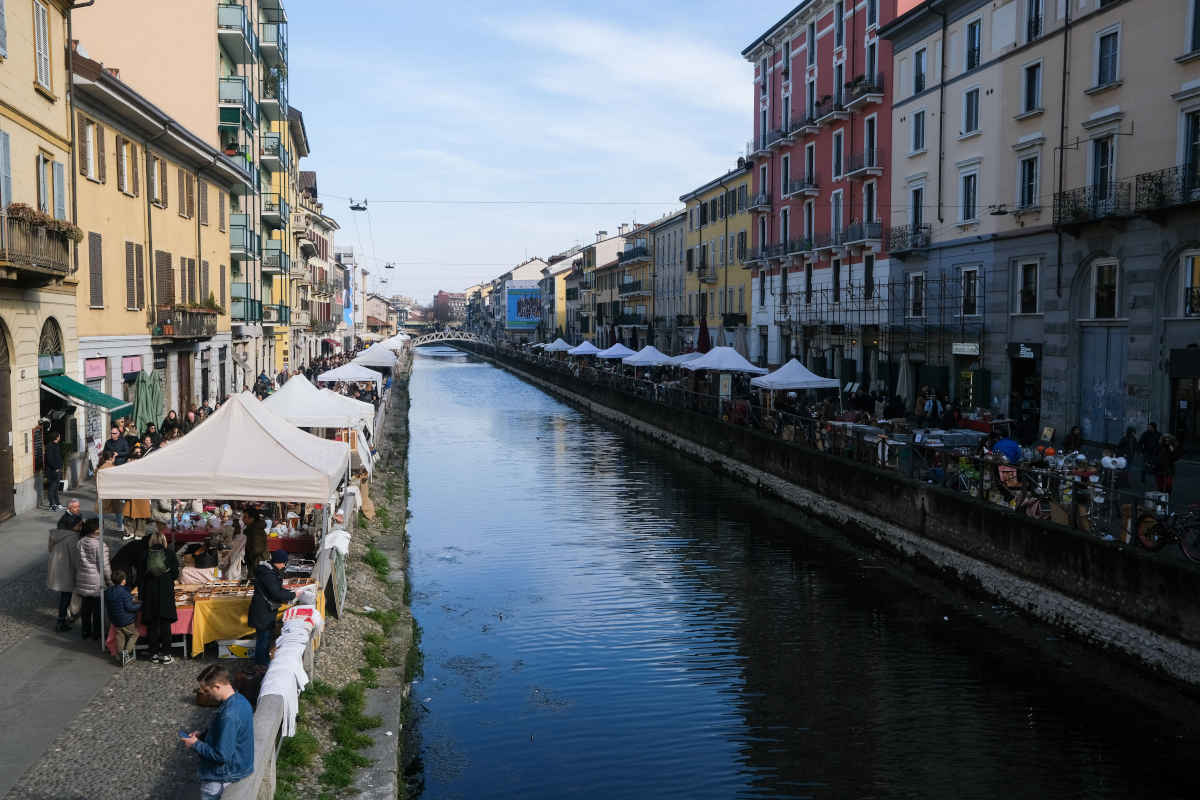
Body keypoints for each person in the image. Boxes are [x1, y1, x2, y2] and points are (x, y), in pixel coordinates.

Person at [182, 665, 255, 799]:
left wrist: (195, 744)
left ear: (217, 686)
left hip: (222, 777)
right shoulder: (241, 701)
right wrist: (203, 735)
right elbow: (226, 733)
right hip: (239, 768)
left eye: (207, 690)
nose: (206, 694)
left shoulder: (229, 715)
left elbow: (221, 755)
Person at [140, 529, 180, 664]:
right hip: (165, 592)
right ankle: (166, 654)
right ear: (164, 541)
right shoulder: (170, 553)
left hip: (150, 593)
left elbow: (140, 575)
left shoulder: (145, 554)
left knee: (152, 625)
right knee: (165, 625)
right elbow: (175, 574)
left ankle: (154, 654)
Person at [248, 550, 294, 666]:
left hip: (263, 611)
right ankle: (261, 664)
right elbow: (276, 593)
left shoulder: (268, 571)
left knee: (264, 638)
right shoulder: (268, 574)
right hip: (263, 612)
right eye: (283, 563)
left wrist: (289, 592)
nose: (284, 565)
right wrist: (293, 595)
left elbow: (276, 590)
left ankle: (262, 662)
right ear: (278, 562)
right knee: (263, 639)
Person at [75, 519, 110, 640]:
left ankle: (85, 630)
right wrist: (110, 581)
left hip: (82, 578)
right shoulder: (100, 545)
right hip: (96, 581)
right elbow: (104, 566)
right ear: (97, 530)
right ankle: (97, 632)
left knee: (86, 607)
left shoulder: (80, 542)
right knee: (98, 609)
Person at [48, 519, 80, 632]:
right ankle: (61, 621)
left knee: (64, 596)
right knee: (66, 597)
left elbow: (49, 550)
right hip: (67, 571)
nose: (80, 526)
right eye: (79, 524)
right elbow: (75, 558)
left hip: (58, 570)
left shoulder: (55, 534)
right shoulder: (72, 537)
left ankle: (62, 619)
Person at [105, 569, 142, 667]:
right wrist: (140, 605)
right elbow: (130, 607)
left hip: (115, 619)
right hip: (126, 619)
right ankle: (125, 653)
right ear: (123, 580)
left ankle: (120, 656)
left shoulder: (108, 591)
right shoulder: (124, 592)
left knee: (120, 636)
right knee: (134, 634)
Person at [240, 509, 268, 578]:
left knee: (255, 581)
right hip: (254, 561)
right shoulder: (251, 529)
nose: (243, 519)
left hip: (257, 561)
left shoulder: (255, 530)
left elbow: (257, 549)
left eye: (245, 517)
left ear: (252, 518)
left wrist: (248, 556)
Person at [43, 430, 63, 511]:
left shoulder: (56, 445)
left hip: (57, 470)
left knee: (56, 488)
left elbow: (57, 457)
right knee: (52, 488)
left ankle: (58, 504)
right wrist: (56, 468)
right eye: (59, 436)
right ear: (56, 437)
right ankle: (52, 505)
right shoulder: (50, 446)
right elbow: (50, 459)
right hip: (52, 471)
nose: (60, 437)